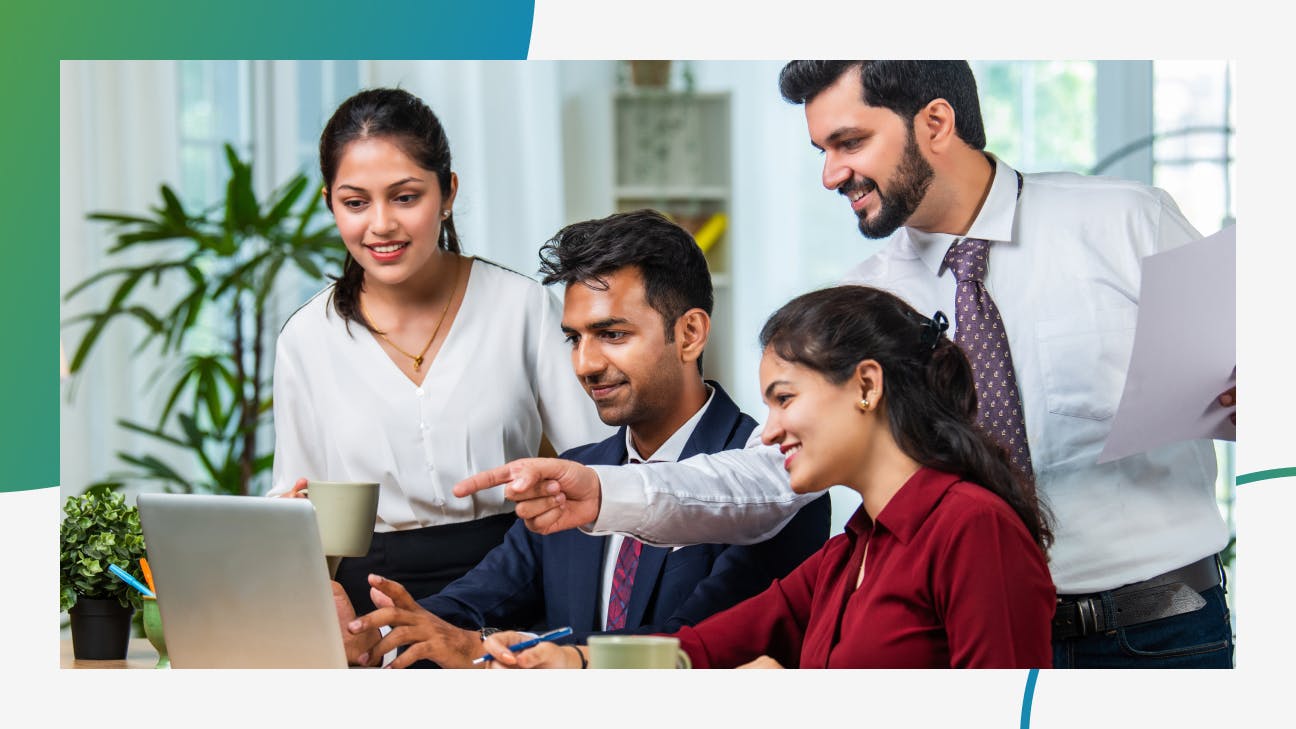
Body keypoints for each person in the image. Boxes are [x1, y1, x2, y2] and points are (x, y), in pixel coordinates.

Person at [455, 61, 1235, 669]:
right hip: (951, 638)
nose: (830, 173)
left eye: (849, 142)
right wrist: (608, 491)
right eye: (821, 148)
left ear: (936, 122)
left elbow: (1256, 394)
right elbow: (766, 478)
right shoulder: (865, 305)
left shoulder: (1127, 220)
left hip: (1158, 632)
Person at [336, 209, 830, 668]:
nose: (586, 364)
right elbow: (476, 599)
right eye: (575, 338)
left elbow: (695, 645)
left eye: (612, 334)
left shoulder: (785, 478)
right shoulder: (575, 472)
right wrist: (378, 633)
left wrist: (480, 650)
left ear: (690, 334)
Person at [480, 285, 1054, 669]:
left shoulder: (972, 529)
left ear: (866, 386)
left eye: (785, 400)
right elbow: (702, 649)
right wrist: (577, 662)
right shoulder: (852, 551)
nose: (770, 432)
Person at [267, 88, 609, 614]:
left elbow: (596, 463)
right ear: (329, 203)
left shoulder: (520, 306)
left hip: (514, 585)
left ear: (447, 192)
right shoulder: (307, 339)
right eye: (355, 202)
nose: (380, 224)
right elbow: (297, 509)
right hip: (369, 605)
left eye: (405, 197)